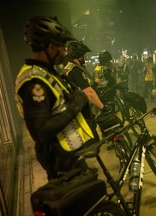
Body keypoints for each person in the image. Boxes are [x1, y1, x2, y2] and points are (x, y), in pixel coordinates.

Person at [15, 16, 94, 180]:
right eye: (62, 47)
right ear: (51, 47)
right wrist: (75, 106)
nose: (65, 52)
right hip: (59, 162)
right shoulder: (34, 83)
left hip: (70, 155)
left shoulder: (46, 71)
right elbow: (41, 130)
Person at [63, 40, 111, 143]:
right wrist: (103, 107)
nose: (85, 57)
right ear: (79, 55)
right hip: (81, 113)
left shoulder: (67, 68)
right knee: (93, 141)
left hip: (73, 112)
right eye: (84, 55)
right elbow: (88, 92)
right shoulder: (76, 70)